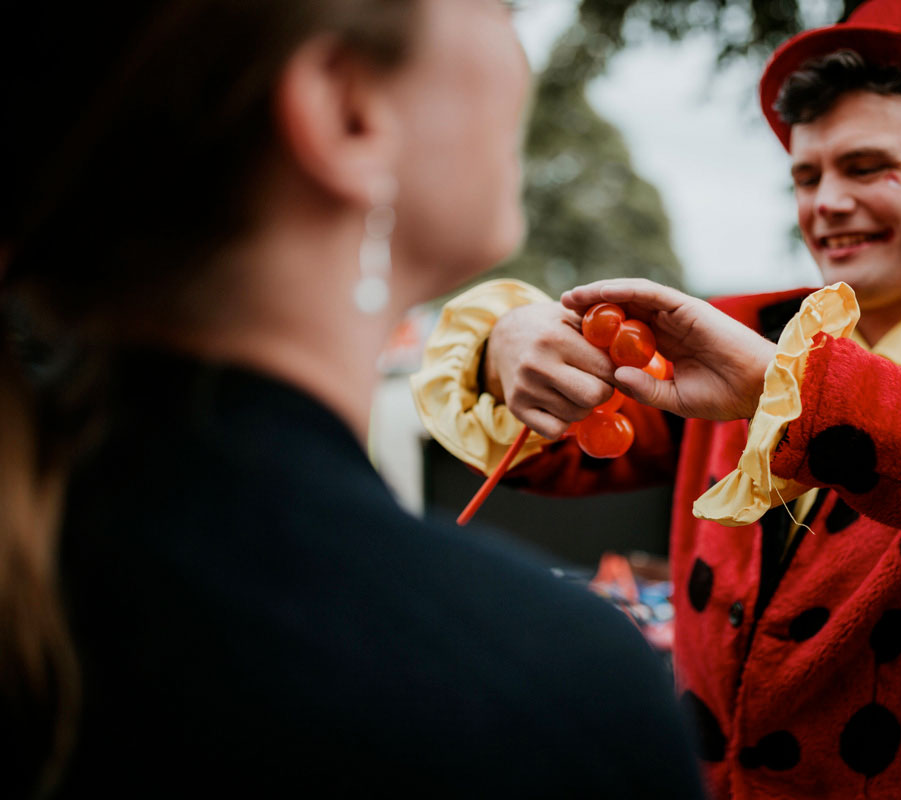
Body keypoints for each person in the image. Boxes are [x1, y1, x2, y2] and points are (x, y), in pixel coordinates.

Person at [411, 0, 901, 798]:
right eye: (807, 176)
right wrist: (507, 349)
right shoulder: (733, 328)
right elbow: (563, 453)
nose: (826, 204)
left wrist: (805, 393)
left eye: (866, 167)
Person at [0, 2, 707, 798]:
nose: (524, 61)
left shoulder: (60, 551)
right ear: (347, 110)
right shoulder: (552, 698)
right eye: (502, 10)